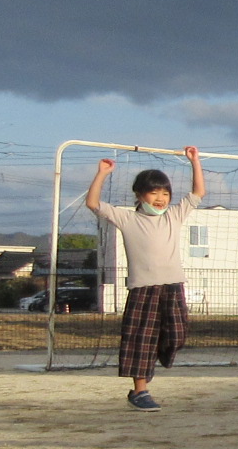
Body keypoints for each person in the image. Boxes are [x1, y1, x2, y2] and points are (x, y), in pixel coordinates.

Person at [85, 148, 205, 409]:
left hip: (172, 286)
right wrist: (102, 173)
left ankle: (154, 356)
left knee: (177, 334)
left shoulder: (174, 215)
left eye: (165, 193)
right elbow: (93, 203)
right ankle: (140, 390)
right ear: (139, 195)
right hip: (143, 289)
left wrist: (194, 161)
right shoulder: (127, 218)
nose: (161, 198)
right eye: (154, 192)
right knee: (141, 339)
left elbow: (197, 193)